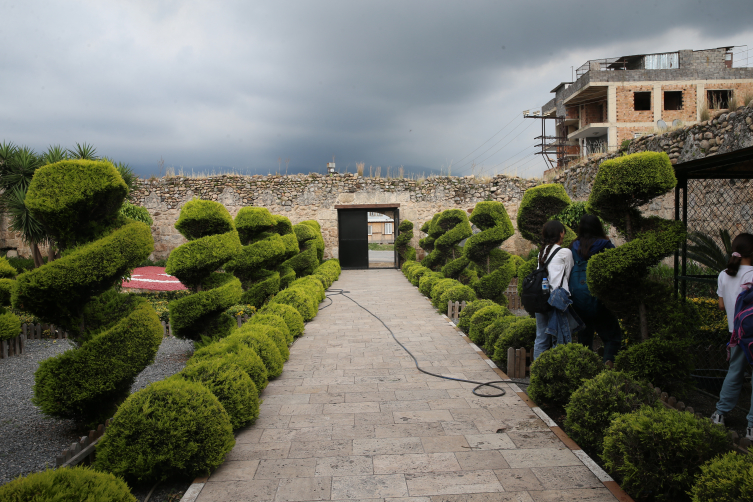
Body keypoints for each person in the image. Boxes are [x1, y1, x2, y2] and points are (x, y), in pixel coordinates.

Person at [710, 233, 753, 438]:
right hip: (752, 334)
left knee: (734, 372)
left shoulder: (724, 274)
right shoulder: (752, 274)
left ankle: (720, 414)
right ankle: (751, 426)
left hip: (735, 334)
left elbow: (721, 305)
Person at [569, 214, 623, 363]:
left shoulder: (573, 247)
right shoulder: (605, 245)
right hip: (599, 298)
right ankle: (608, 365)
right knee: (612, 337)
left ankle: (585, 370)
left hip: (578, 299)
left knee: (584, 338)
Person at [533, 220, 578, 360]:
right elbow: (570, 274)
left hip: (541, 298)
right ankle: (556, 372)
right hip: (557, 300)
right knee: (560, 337)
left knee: (541, 337)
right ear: (560, 233)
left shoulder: (542, 252)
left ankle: (537, 374)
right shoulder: (565, 252)